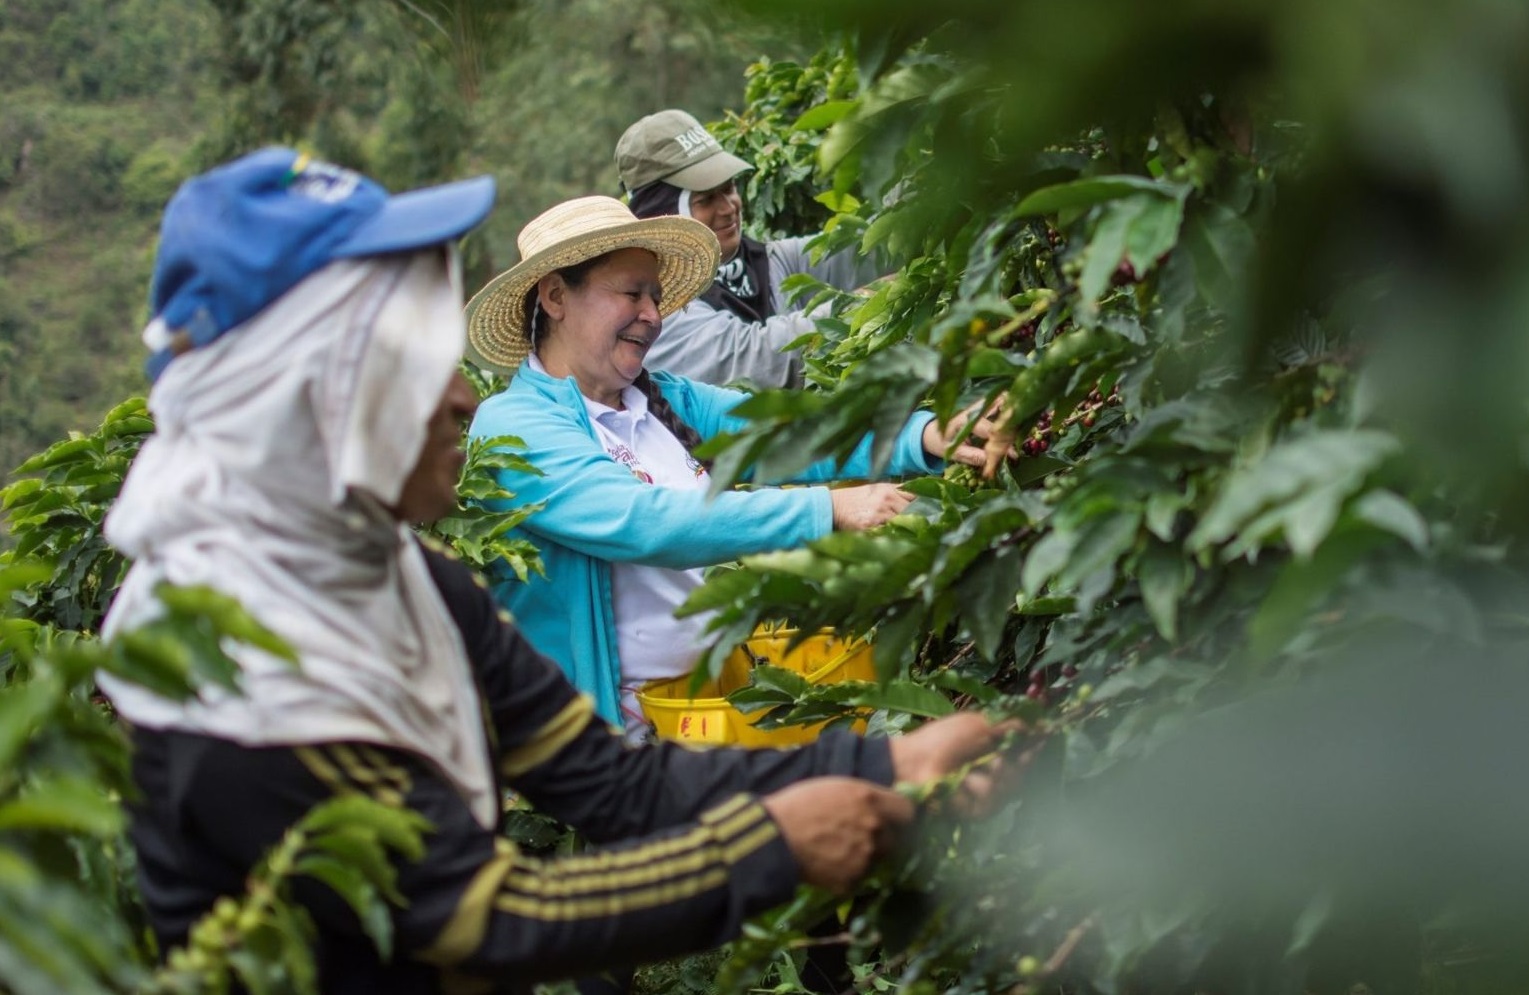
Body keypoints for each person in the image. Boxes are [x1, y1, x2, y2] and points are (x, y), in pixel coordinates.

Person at [97, 148, 1009, 994]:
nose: (461, 397)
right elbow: (475, 915)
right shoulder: (229, 647)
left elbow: (612, 783)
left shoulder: (405, 581)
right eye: (412, 368)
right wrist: (767, 845)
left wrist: (888, 760)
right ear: (307, 394)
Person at [464, 195, 989, 737]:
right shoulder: (515, 427)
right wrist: (828, 508)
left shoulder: (663, 400)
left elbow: (788, 431)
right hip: (605, 746)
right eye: (631, 293)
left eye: (656, 296)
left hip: (703, 715)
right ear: (555, 296)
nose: (652, 315)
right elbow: (647, 522)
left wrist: (922, 432)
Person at [613, 108, 887, 388]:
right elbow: (756, 358)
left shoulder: (765, 262)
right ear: (666, 215)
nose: (728, 207)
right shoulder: (655, 310)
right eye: (706, 199)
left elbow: (868, 251)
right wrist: (874, 300)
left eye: (729, 188)